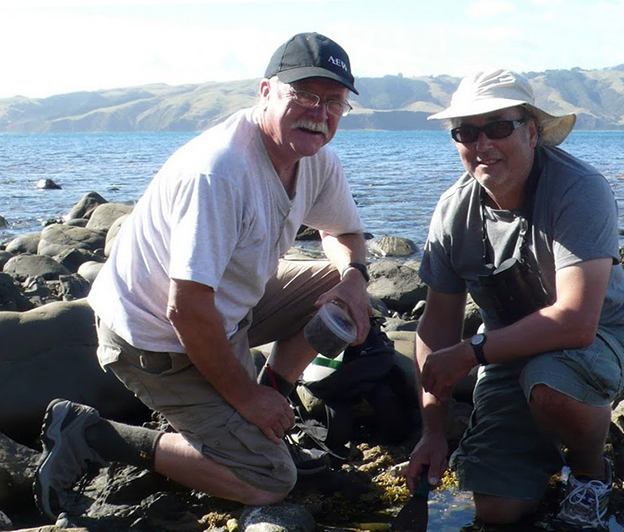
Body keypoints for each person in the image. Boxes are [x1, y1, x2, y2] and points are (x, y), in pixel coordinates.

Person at [34, 32, 387, 522]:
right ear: (266, 92)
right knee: (270, 481)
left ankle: (277, 394)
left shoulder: (315, 159)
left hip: (225, 313)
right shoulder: (219, 173)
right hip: (157, 343)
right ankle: (91, 434)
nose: (319, 112)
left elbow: (345, 231)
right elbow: (186, 310)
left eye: (334, 101)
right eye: (303, 95)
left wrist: (353, 277)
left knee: (339, 282)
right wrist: (244, 398)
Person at [405, 69, 624, 531]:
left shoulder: (577, 189)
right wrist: (432, 432)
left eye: (499, 127)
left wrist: (471, 352)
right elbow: (436, 327)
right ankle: (553, 444)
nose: (483, 144)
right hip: (506, 353)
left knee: (549, 384)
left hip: (604, 336)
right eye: (467, 132)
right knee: (497, 511)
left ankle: (589, 474)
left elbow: (576, 321)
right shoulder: (452, 211)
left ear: (532, 130)